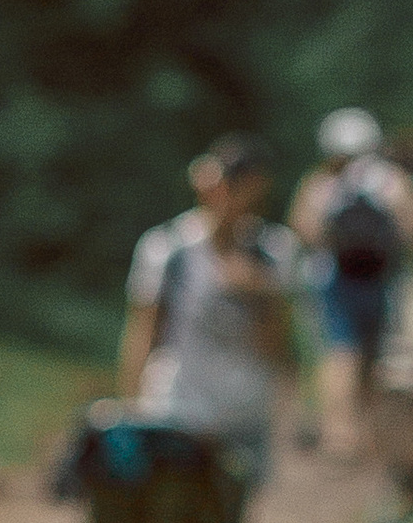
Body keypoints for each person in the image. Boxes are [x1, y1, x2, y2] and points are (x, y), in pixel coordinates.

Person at [118, 136, 300, 490]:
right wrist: (131, 407)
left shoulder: (276, 252)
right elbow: (144, 332)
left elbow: (276, 348)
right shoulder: (166, 248)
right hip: (177, 409)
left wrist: (260, 294)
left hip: (244, 414)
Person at [288, 107, 413, 462]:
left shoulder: (320, 183)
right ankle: (373, 434)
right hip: (382, 279)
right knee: (377, 354)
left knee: (339, 353)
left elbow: (302, 228)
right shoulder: (390, 180)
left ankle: (339, 434)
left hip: (334, 280)